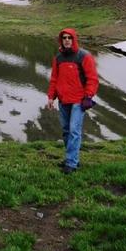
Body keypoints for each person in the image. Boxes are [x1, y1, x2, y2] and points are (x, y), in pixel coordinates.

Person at [47, 28, 99, 173]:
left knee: (74, 131)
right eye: (64, 38)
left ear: (74, 39)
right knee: (66, 131)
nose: (67, 40)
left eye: (70, 37)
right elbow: (54, 79)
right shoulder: (58, 58)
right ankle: (72, 158)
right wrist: (51, 97)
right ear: (61, 40)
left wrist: (88, 96)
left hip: (78, 101)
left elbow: (92, 79)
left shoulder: (84, 56)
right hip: (63, 100)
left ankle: (71, 163)